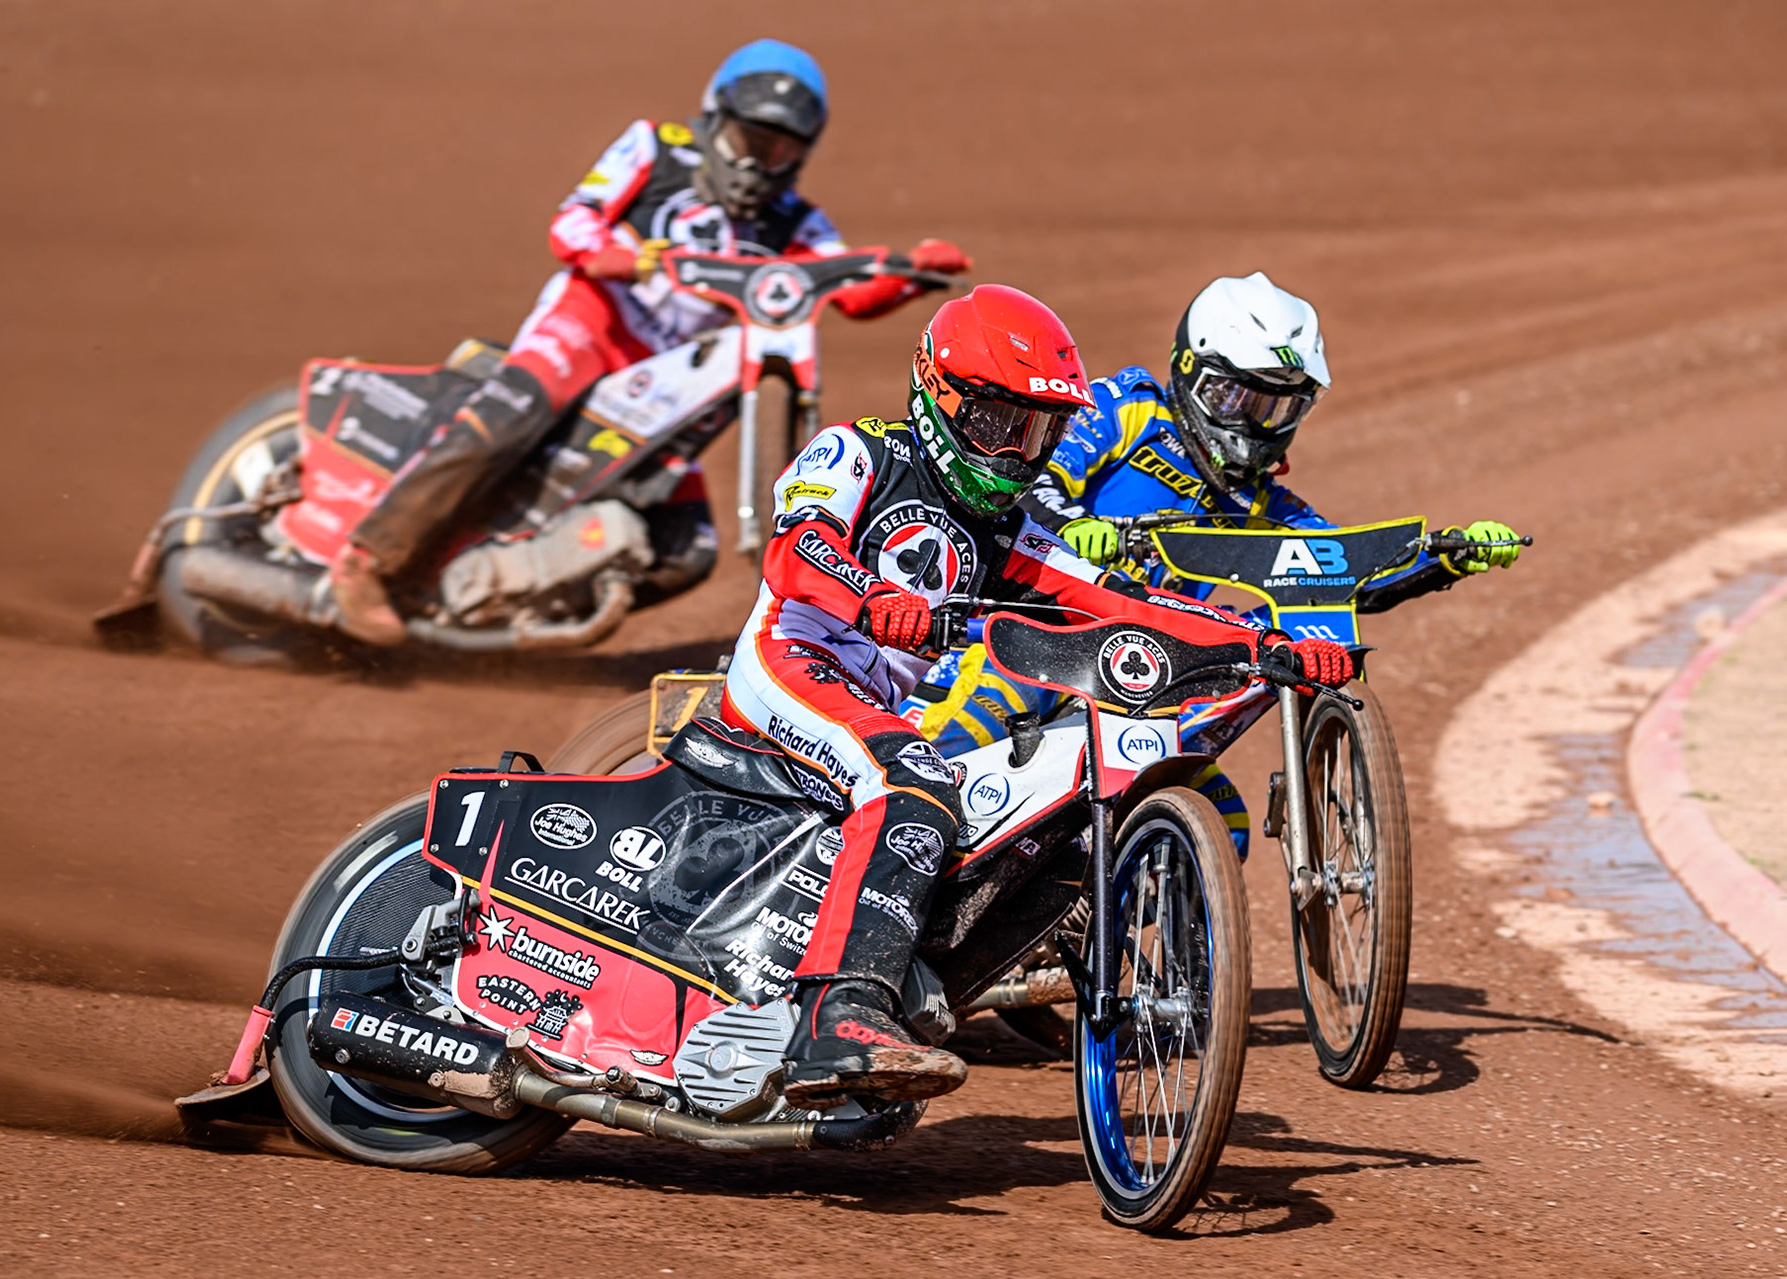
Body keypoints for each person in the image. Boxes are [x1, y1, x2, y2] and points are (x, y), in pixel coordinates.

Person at [719, 284, 1354, 1102]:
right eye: (998, 424)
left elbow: (1128, 604)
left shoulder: (1012, 532)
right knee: (915, 779)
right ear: (939, 394)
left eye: (1038, 433)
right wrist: (870, 599)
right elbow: (796, 550)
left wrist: (1265, 648)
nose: (1016, 454)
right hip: (792, 663)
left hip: (875, 708)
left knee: (1021, 820)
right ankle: (839, 1013)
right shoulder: (859, 453)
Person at [330, 39, 972, 644]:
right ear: (716, 119)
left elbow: (844, 290)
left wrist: (911, 274)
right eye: (750, 141)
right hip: (593, 325)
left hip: (669, 378)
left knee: (685, 546)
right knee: (514, 412)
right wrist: (619, 258)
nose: (759, 164)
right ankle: (366, 559)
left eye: (780, 152)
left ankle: (509, 595)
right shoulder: (654, 148)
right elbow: (573, 220)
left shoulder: (796, 220)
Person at [911, 271, 1524, 855]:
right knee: (951, 750)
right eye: (1243, 398)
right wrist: (1077, 528)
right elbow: (1027, 483)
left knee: (1222, 826)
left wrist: (1444, 556)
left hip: (1145, 680)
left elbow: (1339, 569)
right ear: (1192, 374)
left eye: (1280, 409)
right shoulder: (1128, 409)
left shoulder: (1265, 503)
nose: (1257, 426)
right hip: (1037, 633)